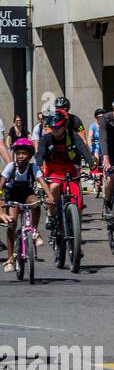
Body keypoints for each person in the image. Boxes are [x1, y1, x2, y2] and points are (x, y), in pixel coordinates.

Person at [34, 110, 93, 239]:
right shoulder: (46, 138)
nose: (56, 131)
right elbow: (40, 152)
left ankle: (77, 235)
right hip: (53, 170)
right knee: (54, 187)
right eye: (53, 128)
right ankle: (51, 214)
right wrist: (38, 164)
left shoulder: (71, 135)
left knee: (77, 200)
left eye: (59, 128)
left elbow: (82, 148)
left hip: (70, 170)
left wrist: (91, 163)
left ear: (64, 127)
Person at [1, 138, 52, 271]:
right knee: (12, 224)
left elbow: (42, 182)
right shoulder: (10, 167)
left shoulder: (33, 167)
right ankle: (10, 259)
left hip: (27, 195)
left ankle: (34, 231)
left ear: (29, 156)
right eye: (18, 153)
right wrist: (1, 199)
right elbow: (1, 185)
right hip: (12, 196)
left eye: (24, 153)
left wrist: (50, 196)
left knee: (36, 204)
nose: (20, 156)